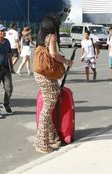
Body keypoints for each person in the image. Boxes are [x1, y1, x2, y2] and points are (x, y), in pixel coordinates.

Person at [33, 14, 73, 153]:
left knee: (48, 106)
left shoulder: (41, 35)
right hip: (47, 75)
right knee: (47, 109)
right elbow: (54, 54)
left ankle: (52, 137)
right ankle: (41, 142)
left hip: (40, 73)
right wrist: (67, 61)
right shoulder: (52, 36)